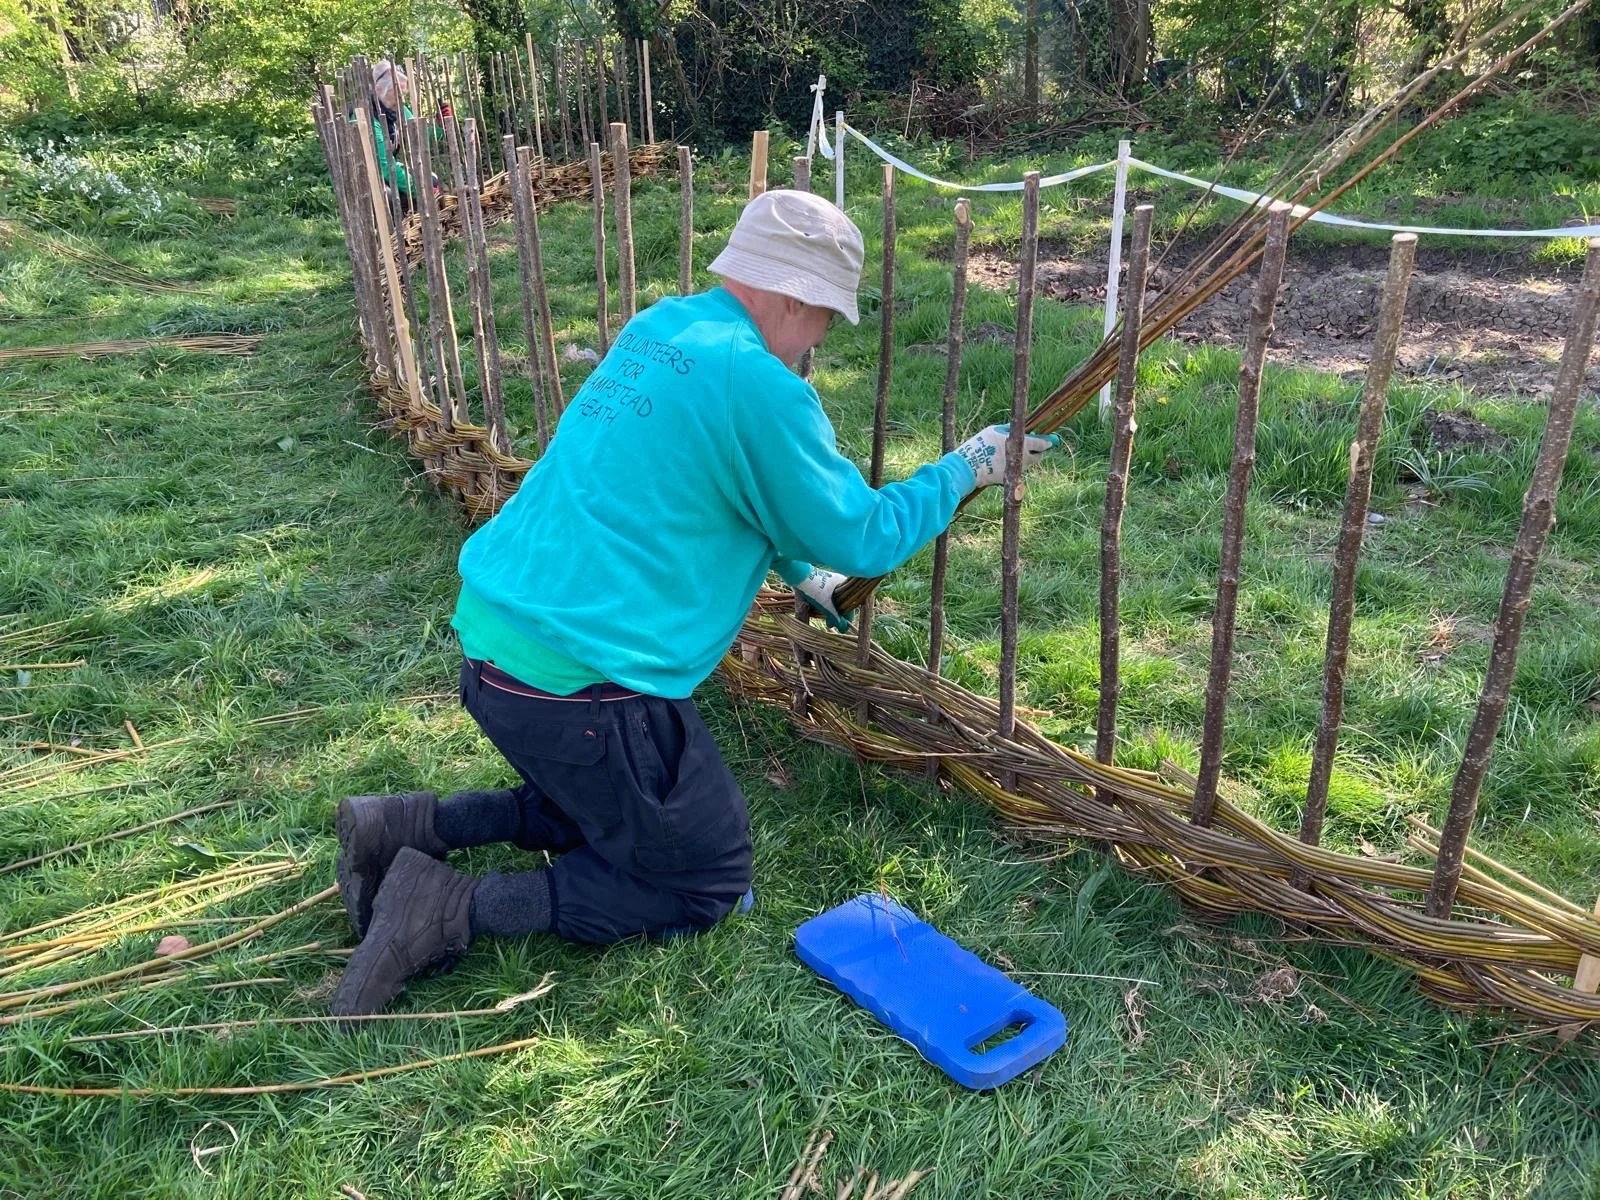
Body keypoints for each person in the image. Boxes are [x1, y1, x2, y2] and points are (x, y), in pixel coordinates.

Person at [330, 189, 1060, 1016]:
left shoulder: (664, 332)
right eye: (824, 316)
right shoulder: (758, 383)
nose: (821, 337)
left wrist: (799, 571)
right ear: (792, 296)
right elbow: (863, 535)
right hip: (583, 683)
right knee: (702, 878)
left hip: (497, 646)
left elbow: (714, 484)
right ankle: (446, 906)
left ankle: (405, 826)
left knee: (619, 805)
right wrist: (966, 467)